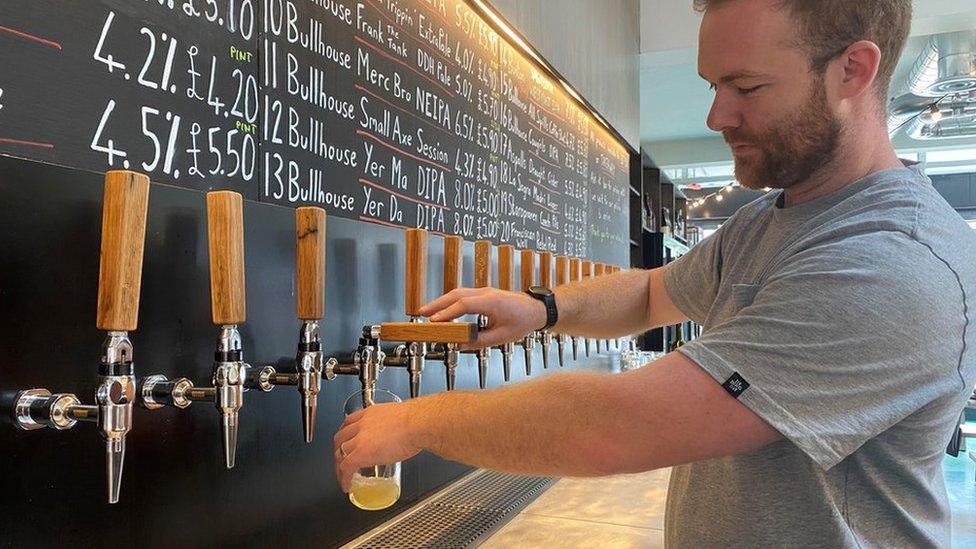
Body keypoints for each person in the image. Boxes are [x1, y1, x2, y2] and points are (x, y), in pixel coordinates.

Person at [334, 0, 976, 546]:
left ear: (853, 70)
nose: (717, 117)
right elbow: (649, 292)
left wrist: (418, 420)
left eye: (746, 87)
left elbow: (611, 427)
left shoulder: (893, 265)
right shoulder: (770, 221)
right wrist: (541, 307)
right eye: (713, 87)